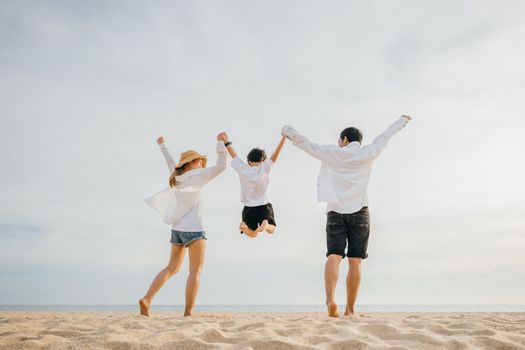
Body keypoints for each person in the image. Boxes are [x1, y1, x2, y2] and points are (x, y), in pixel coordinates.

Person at [281, 115, 412, 317]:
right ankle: (350, 310)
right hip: (360, 211)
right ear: (357, 142)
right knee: (355, 260)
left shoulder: (333, 153)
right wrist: (402, 121)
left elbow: (305, 144)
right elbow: (385, 136)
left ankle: (330, 300)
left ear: (343, 140)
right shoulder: (369, 152)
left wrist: (287, 130)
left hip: (335, 211)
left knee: (334, 255)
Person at [139, 132, 228, 317]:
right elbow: (221, 166)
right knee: (196, 270)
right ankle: (188, 312)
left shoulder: (176, 175)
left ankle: (147, 299)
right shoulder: (199, 175)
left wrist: (162, 145)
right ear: (190, 164)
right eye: (198, 161)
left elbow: (169, 160)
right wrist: (222, 142)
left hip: (177, 230)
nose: (201, 164)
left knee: (171, 268)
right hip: (195, 230)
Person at [224, 133, 286, 238]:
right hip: (264, 205)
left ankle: (244, 226)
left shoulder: (242, 168)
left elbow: (233, 155)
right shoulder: (265, 167)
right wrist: (284, 138)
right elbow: (276, 153)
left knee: (253, 234)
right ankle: (266, 225)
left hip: (248, 207)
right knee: (272, 230)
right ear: (263, 160)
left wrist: (226, 142)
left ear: (248, 161)